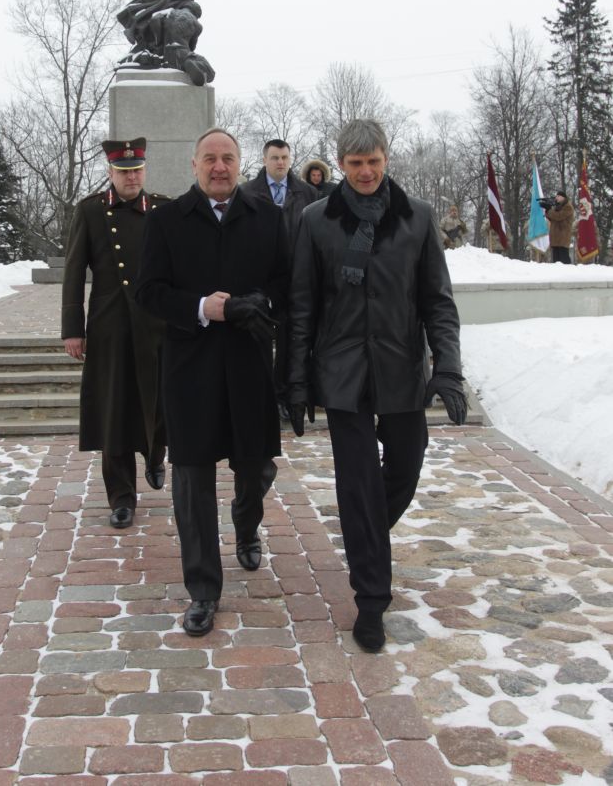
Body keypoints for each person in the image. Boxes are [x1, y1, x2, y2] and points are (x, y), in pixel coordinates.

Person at [287, 119, 465, 653]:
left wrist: (448, 368)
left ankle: (365, 537)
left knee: (406, 465)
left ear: (386, 158)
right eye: (355, 163)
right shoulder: (317, 220)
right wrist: (296, 380)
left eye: (373, 161)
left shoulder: (417, 218)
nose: (365, 172)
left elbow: (438, 302)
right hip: (342, 372)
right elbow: (302, 306)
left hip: (400, 367)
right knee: (358, 482)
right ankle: (371, 600)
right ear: (341, 163)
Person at [137, 128, 290, 637]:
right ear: (194, 165)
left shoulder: (267, 217)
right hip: (190, 370)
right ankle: (203, 589)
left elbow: (285, 283)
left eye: (227, 158)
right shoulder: (165, 221)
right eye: (210, 158)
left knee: (258, 467)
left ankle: (246, 523)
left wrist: (261, 303)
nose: (219, 167)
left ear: (240, 163)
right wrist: (203, 307)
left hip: (249, 366)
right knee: (192, 482)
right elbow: (149, 292)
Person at [62, 138, 169, 529]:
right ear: (110, 172)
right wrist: (72, 329)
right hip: (110, 325)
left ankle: (155, 452)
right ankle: (121, 497)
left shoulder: (163, 209)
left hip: (157, 322)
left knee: (159, 399)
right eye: (124, 171)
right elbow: (74, 272)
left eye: (137, 170)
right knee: (114, 410)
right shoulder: (91, 211)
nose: (131, 177)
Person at [246, 140, 318, 419]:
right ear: (264, 160)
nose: (280, 162)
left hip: (298, 275)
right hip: (261, 277)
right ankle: (265, 395)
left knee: (292, 337)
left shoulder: (307, 193)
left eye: (285, 157)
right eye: (275, 157)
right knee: (260, 336)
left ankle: (287, 394)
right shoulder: (247, 192)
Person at [545, 190, 574, 264]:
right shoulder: (557, 207)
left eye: (558, 196)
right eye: (556, 196)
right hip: (556, 237)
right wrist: (547, 210)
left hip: (563, 236)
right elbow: (552, 218)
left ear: (563, 197)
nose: (556, 198)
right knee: (556, 260)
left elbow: (558, 216)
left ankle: (568, 270)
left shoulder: (568, 207)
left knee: (564, 258)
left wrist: (549, 210)